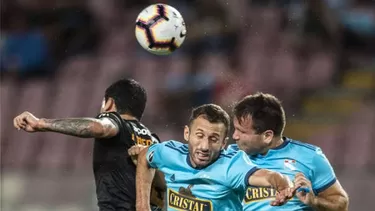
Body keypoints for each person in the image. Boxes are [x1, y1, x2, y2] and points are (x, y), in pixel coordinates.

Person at [13, 78, 165, 211]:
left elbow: (100, 127)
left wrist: (41, 123)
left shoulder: (115, 121)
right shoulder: (153, 140)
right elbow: (165, 185)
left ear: (109, 103)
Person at [135, 104, 300, 211]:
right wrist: (142, 206)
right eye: (199, 135)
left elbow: (270, 176)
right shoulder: (170, 153)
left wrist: (283, 186)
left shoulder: (232, 166)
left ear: (223, 143)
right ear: (187, 133)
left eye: (213, 139)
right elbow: (144, 156)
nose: (205, 146)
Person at [228, 92, 349, 211]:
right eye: (235, 129)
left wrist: (314, 201)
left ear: (267, 136)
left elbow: (341, 205)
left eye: (242, 132)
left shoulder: (310, 156)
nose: (235, 136)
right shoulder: (228, 157)